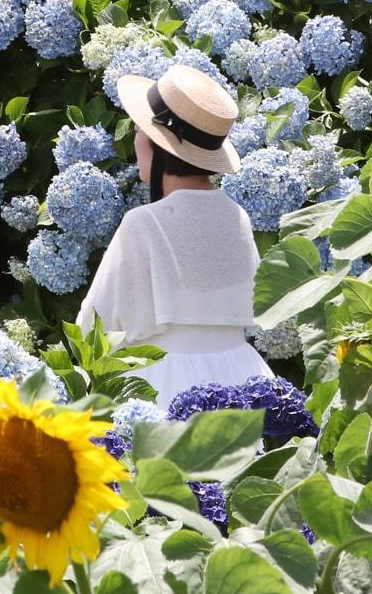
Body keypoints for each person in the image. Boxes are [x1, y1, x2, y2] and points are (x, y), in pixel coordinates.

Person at [77, 64, 274, 409]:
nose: (134, 139)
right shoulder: (237, 217)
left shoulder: (144, 223)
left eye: (139, 130)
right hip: (244, 377)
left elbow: (93, 326)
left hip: (167, 383)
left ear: (158, 145)